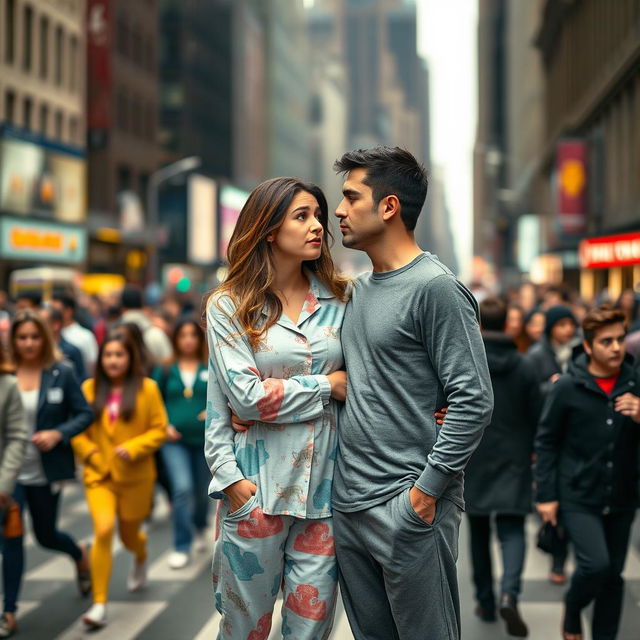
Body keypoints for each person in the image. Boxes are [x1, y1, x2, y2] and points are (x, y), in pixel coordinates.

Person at [331, 147, 493, 640]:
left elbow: (474, 399)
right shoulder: (356, 291)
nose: (339, 210)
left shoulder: (436, 288)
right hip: (349, 506)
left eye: (350, 197)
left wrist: (425, 492)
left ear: (389, 207)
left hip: (408, 506)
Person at [205, 177, 349, 639]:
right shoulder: (229, 306)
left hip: (326, 495)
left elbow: (366, 384)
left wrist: (274, 395)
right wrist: (327, 385)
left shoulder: (343, 300)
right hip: (255, 492)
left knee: (310, 633)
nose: (317, 227)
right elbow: (240, 399)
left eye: (318, 216)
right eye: (301, 216)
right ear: (269, 229)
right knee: (244, 631)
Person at [535, 304, 640, 640]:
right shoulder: (567, 386)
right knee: (596, 565)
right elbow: (547, 442)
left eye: (620, 340)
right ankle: (573, 606)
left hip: (623, 494)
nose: (616, 348)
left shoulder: (635, 383)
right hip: (578, 494)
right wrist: (546, 495)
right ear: (590, 344)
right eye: (607, 341)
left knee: (613, 577)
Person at [2, 310, 93, 637]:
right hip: (9, 475)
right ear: (13, 340)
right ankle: (9, 611)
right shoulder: (5, 373)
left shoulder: (61, 372)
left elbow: (84, 413)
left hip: (46, 470)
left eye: (34, 336)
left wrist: (58, 434)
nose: (28, 343)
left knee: (46, 535)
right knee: (10, 539)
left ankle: (78, 553)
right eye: (22, 337)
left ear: (45, 337)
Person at [72, 330, 168, 628]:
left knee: (129, 537)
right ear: (101, 359)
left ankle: (140, 553)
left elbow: (159, 428)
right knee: (102, 531)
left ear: (130, 358)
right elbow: (77, 430)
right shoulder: (88, 388)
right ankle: (99, 604)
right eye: (108, 355)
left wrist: (134, 447)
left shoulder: (147, 389)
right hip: (99, 476)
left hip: (135, 477)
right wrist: (92, 455)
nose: (113, 360)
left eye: (120, 355)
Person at [465, 297, 541, 638]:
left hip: (475, 455)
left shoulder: (469, 361)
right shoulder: (525, 365)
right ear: (508, 325)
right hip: (515, 457)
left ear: (478, 325)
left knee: (479, 531)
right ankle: (510, 592)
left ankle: (485, 599)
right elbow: (538, 415)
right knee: (512, 530)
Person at [152, 319, 210, 569]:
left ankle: (199, 526)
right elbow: (153, 400)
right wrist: (164, 424)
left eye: (192, 335)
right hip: (174, 441)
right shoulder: (165, 369)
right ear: (175, 339)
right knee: (182, 489)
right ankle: (181, 545)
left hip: (206, 441)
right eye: (183, 335)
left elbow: (225, 394)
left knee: (201, 493)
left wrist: (213, 411)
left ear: (199, 339)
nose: (188, 339)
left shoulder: (210, 366)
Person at [0, 345, 27, 638]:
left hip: (5, 485)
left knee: (11, 544)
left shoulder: (7, 385)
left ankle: (8, 608)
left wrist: (4, 487)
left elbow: (16, 437)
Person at [120, 285, 173, 366]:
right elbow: (169, 360)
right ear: (142, 306)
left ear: (122, 308)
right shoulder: (156, 333)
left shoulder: (115, 332)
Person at [51, 293, 99, 375]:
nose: (53, 314)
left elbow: (93, 365)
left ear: (68, 311)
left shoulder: (85, 336)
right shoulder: (48, 335)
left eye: (57, 311)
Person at [40, 306, 87, 381]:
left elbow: (80, 380)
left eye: (42, 323)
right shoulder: (35, 351)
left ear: (55, 325)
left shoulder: (72, 351)